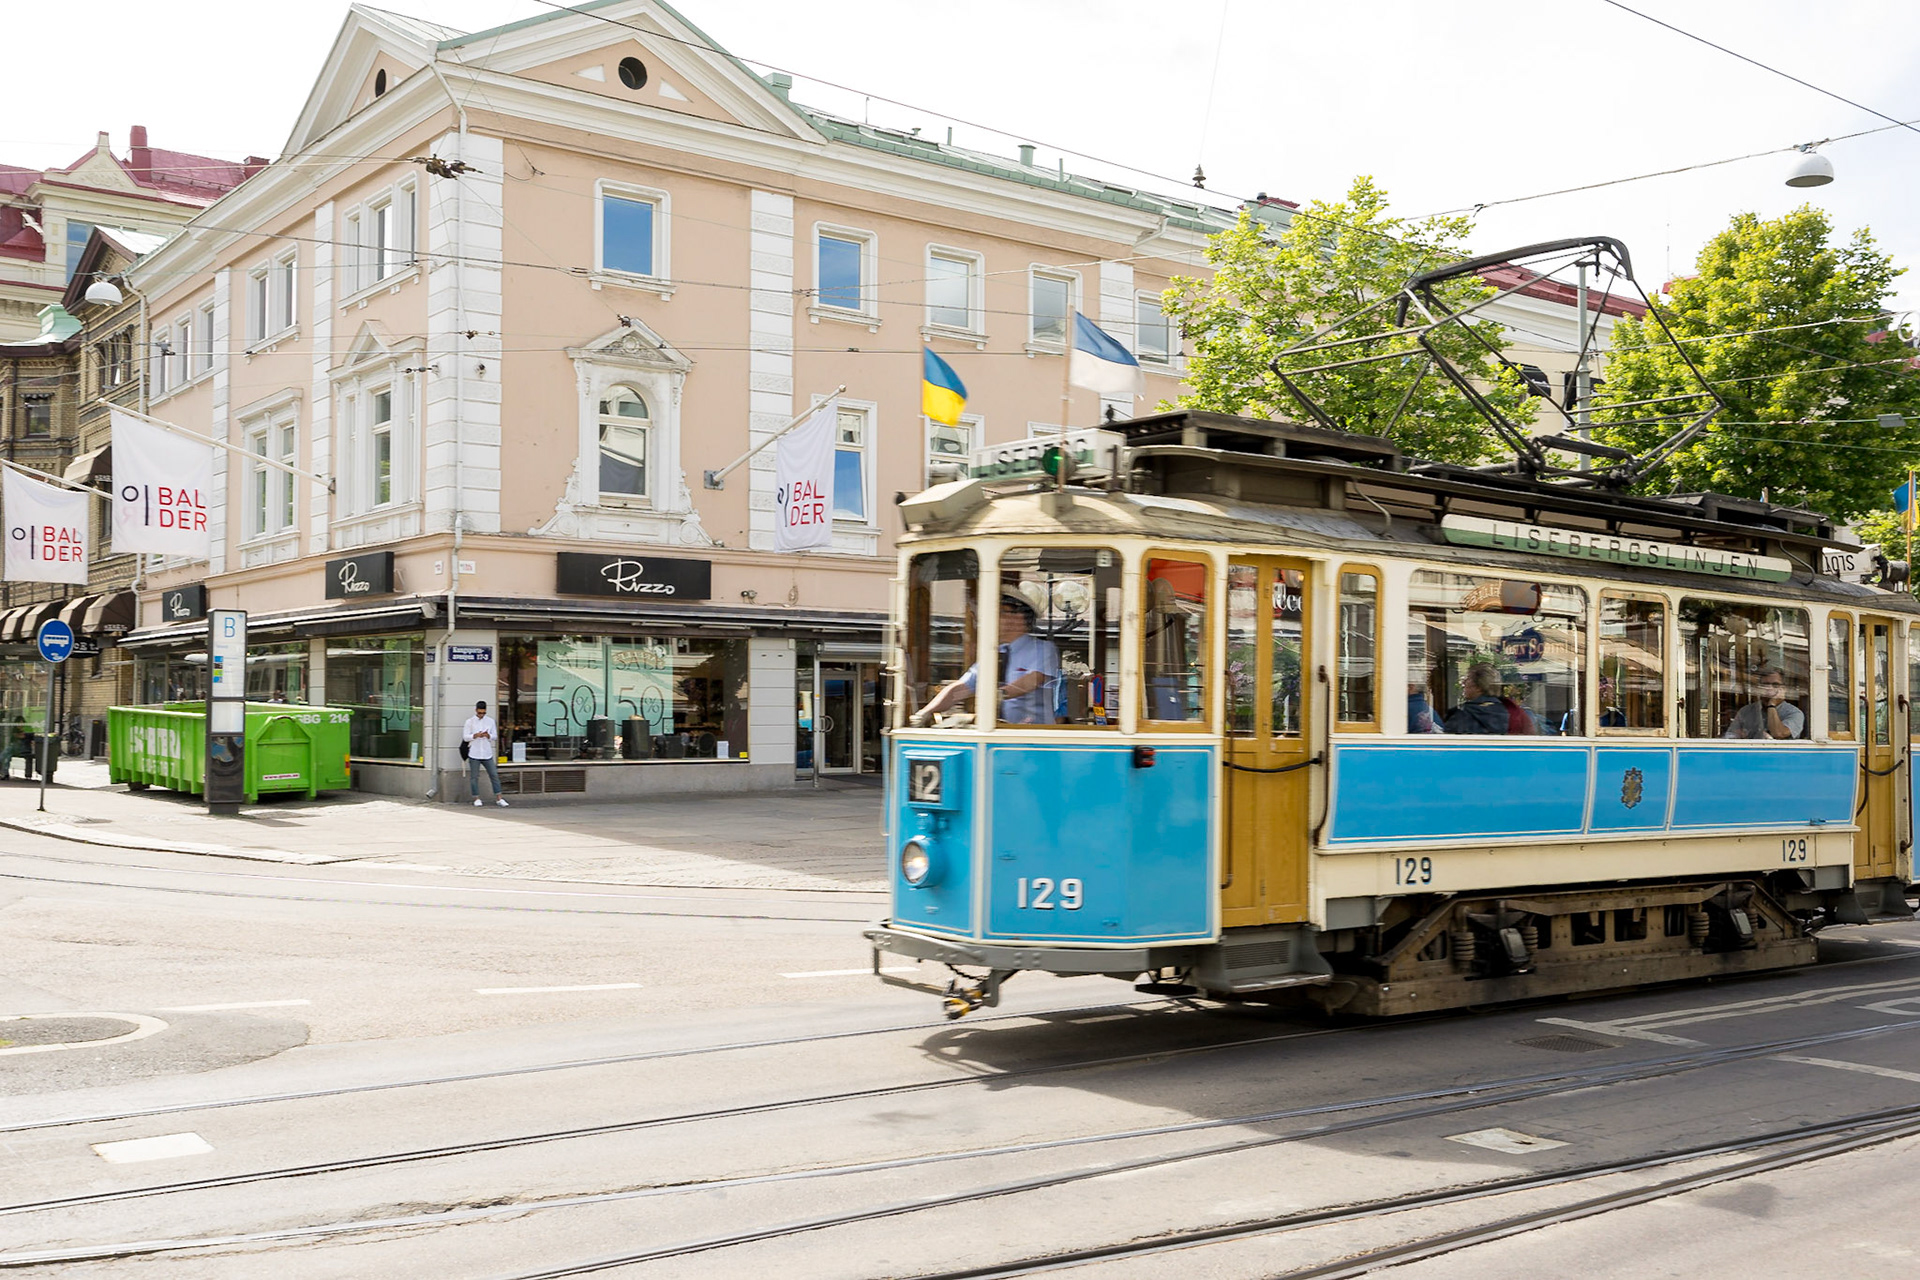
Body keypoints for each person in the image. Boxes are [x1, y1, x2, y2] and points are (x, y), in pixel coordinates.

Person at [910, 586, 1062, 725]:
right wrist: (925, 713)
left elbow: (1032, 681)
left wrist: (997, 695)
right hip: (999, 735)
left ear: (1017, 618)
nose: (991, 619)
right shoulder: (994, 654)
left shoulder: (1042, 649)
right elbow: (961, 688)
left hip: (1033, 738)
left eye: (999, 613)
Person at [1724, 667, 1804, 740]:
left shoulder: (1794, 713)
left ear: (1783, 689)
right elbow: (1729, 736)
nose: (1769, 689)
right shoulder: (1746, 711)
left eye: (1775, 685)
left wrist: (1772, 704)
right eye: (1765, 685)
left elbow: (1779, 733)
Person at [463, 698, 509, 806]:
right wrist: (475, 735)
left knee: (494, 774)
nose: (481, 715)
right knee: (474, 777)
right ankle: (476, 798)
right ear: (476, 710)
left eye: (483, 713)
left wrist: (488, 735)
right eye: (479, 713)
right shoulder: (470, 722)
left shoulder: (490, 721)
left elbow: (495, 736)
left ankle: (499, 798)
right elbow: (465, 737)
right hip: (474, 752)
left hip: (487, 752)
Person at [1443, 662, 1510, 735]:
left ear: (1479, 687)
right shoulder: (1505, 711)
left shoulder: (1464, 715)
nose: (1463, 683)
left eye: (1468, 679)